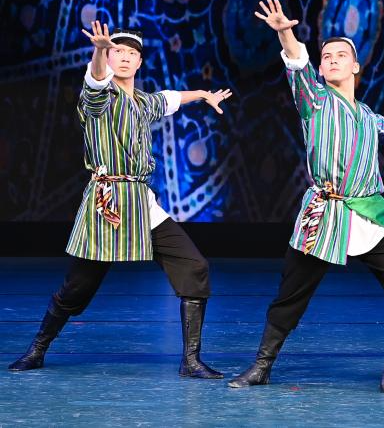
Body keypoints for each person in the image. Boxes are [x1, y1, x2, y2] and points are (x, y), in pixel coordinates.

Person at [229, 0, 384, 394]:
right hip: (324, 215)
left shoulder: (368, 115)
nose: (332, 60)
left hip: (364, 215)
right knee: (291, 295)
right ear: (320, 68)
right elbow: (296, 63)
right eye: (326, 57)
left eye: (341, 56)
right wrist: (285, 33)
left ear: (355, 67)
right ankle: (261, 366)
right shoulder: (314, 100)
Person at [9, 21, 232, 378]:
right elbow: (96, 80)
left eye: (131, 53)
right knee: (76, 288)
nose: (125, 57)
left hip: (141, 202)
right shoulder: (98, 99)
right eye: (117, 52)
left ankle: (191, 361)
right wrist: (99, 50)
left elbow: (171, 98)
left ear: (140, 62)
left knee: (194, 266)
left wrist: (204, 94)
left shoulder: (143, 102)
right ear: (108, 58)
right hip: (108, 204)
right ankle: (37, 349)